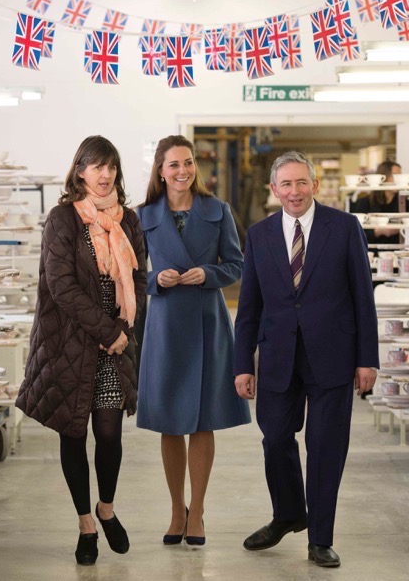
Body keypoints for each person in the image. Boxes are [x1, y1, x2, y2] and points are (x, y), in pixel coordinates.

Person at [233, 151, 379, 568]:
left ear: (314, 185)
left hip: (334, 354)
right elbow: (249, 305)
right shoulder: (259, 234)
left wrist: (367, 359)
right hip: (278, 355)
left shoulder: (344, 227)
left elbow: (362, 298)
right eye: (286, 184)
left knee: (326, 446)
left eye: (301, 183)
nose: (294, 192)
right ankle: (289, 513)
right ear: (273, 189)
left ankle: (320, 538)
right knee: (275, 438)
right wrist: (243, 363)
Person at [16, 136, 146, 566]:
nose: (104, 174)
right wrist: (107, 330)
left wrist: (124, 328)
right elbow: (61, 286)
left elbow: (139, 279)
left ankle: (107, 508)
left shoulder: (129, 221)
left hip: (115, 345)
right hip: (69, 343)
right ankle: (86, 524)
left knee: (109, 432)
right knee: (73, 432)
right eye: (96, 166)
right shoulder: (62, 219)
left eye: (111, 166)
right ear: (80, 173)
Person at [136, 135, 249, 547]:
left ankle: (197, 511)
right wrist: (154, 280)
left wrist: (209, 275)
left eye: (187, 163)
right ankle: (175, 509)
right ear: (161, 171)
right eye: (173, 165)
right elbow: (128, 276)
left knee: (203, 422)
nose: (182, 171)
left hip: (207, 321)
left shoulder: (217, 210)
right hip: (165, 324)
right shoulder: (143, 215)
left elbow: (236, 265)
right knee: (170, 422)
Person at [350, 160, 409, 246]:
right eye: (395, 175)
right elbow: (356, 236)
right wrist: (377, 232)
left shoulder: (405, 203)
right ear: (383, 176)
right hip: (371, 254)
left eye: (400, 176)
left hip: (398, 253)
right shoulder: (365, 202)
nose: (398, 179)